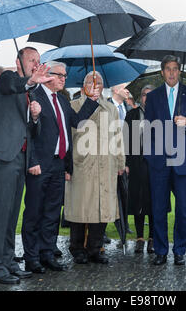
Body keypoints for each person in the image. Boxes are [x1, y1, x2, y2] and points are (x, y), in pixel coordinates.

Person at [22, 61, 99, 274]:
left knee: (52, 213)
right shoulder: (33, 95)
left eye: (65, 76)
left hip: (58, 164)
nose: (64, 79)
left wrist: (92, 99)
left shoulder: (62, 100)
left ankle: (47, 254)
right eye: (60, 75)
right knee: (34, 212)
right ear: (47, 75)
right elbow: (28, 131)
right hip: (39, 164)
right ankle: (32, 257)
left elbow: (76, 121)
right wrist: (32, 161)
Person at [0, 47, 51, 284]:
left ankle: (9, 261)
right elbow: (11, 84)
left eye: (39, 60)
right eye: (32, 60)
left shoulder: (30, 92)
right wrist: (30, 80)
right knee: (2, 213)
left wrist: (34, 117)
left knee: (13, 215)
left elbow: (33, 132)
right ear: (18, 61)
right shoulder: (8, 78)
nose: (36, 63)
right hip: (4, 156)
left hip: (21, 158)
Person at [144, 55, 186, 266]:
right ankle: (161, 251)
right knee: (159, 208)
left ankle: (179, 251)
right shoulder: (153, 97)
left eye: (174, 69)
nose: (171, 72)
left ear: (179, 71)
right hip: (159, 162)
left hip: (184, 160)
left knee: (183, 209)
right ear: (162, 72)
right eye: (167, 69)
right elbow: (148, 128)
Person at [65, 71, 126, 265]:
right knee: (80, 208)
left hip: (106, 165)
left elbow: (117, 137)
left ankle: (95, 248)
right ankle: (77, 248)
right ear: (84, 86)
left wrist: (120, 163)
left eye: (99, 82)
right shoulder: (73, 106)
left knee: (102, 208)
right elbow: (69, 137)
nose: (95, 85)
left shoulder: (110, 108)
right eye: (91, 82)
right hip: (82, 165)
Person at [124, 84, 155, 254]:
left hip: (154, 166)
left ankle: (152, 238)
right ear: (140, 97)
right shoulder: (132, 115)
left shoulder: (161, 115)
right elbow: (125, 140)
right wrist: (126, 163)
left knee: (153, 202)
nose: (147, 98)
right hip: (136, 165)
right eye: (144, 95)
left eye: (151, 95)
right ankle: (139, 238)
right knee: (138, 202)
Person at [109, 82, 133, 235]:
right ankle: (101, 230)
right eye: (125, 88)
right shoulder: (104, 107)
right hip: (108, 158)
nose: (128, 91)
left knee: (124, 194)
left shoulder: (129, 110)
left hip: (125, 158)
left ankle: (124, 226)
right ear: (116, 89)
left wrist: (127, 162)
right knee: (107, 195)